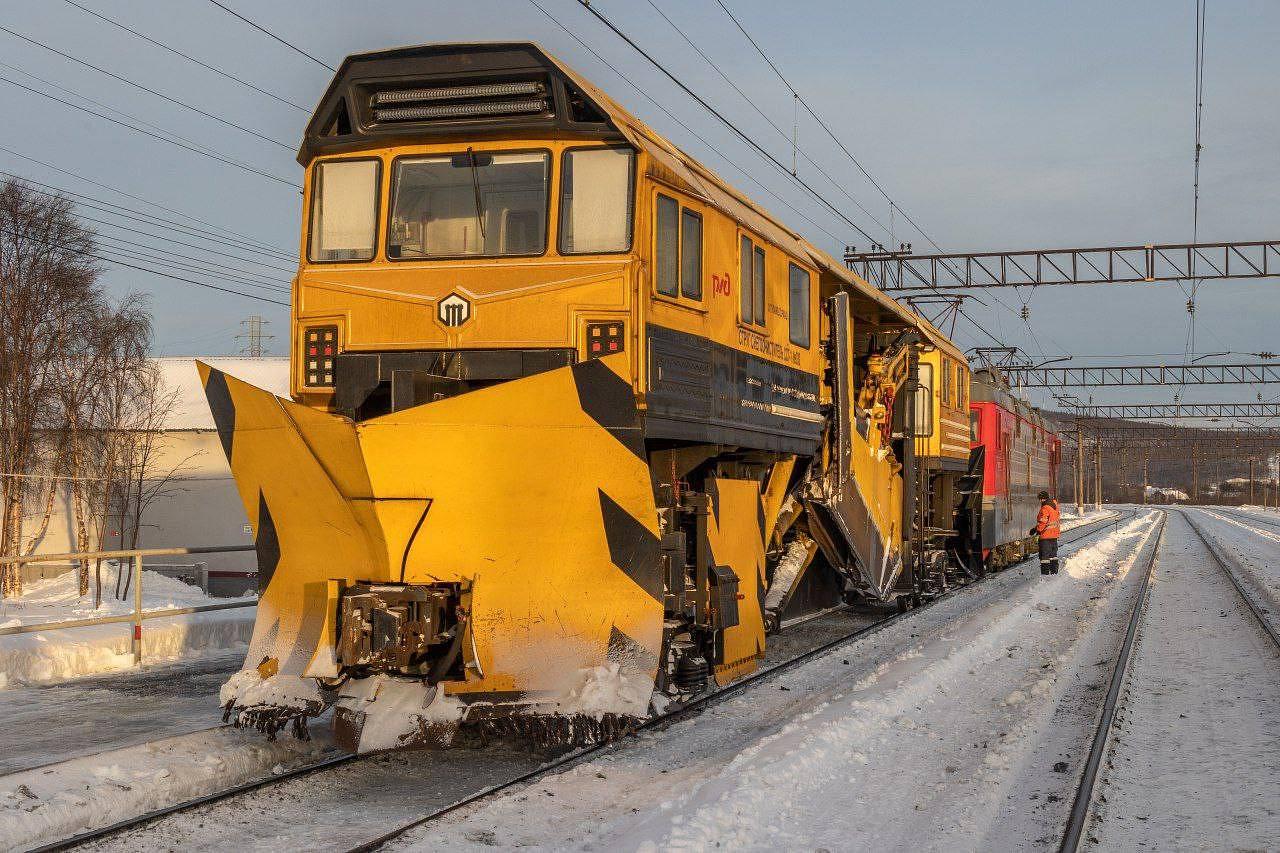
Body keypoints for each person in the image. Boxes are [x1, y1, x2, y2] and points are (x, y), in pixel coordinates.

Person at [1030, 490, 1061, 575]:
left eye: (1040, 499)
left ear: (1042, 499)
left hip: (1046, 536)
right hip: (1054, 535)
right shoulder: (1054, 506)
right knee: (1053, 555)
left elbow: (1043, 521)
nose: (1039, 501)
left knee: (1044, 557)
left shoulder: (1045, 508)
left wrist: (1037, 530)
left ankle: (1045, 575)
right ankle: (1054, 573)